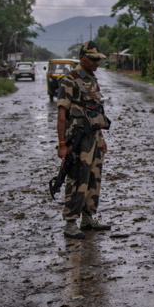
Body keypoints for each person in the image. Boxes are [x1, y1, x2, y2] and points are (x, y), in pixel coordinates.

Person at [56, 41, 112, 240]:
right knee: (77, 178)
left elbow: (96, 111)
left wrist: (102, 138)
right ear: (81, 58)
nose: (96, 62)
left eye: (98, 59)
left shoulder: (92, 79)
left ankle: (88, 218)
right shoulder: (69, 80)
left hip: (94, 138)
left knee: (93, 178)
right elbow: (62, 114)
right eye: (93, 58)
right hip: (78, 140)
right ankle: (70, 222)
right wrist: (62, 144)